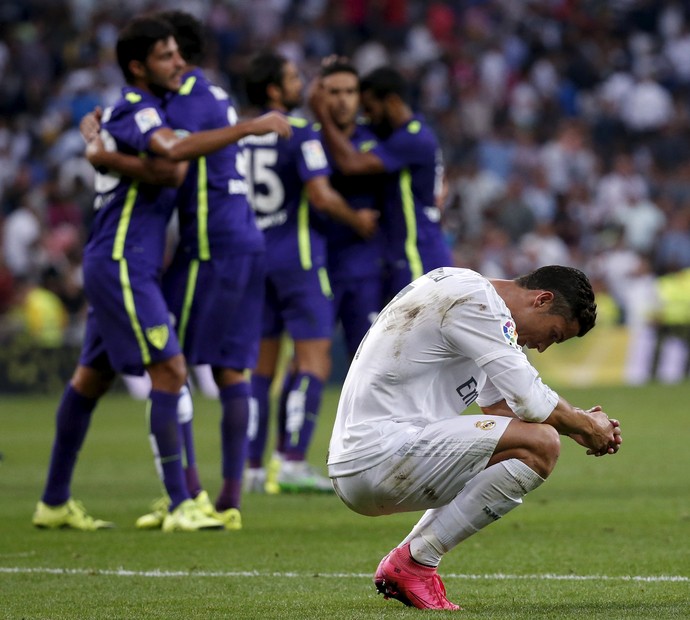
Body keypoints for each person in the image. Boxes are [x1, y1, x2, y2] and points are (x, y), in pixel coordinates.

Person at [33, 15, 290, 532]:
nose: (180, 64)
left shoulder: (143, 110)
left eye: (179, 54)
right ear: (138, 66)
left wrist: (102, 153)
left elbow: (170, 167)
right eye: (167, 57)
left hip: (135, 262)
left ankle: (54, 501)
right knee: (172, 371)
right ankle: (182, 502)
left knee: (90, 379)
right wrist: (249, 125)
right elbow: (171, 156)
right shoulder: (136, 106)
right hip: (123, 262)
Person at [328, 265, 622, 610]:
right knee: (542, 444)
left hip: (370, 458)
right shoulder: (474, 298)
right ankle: (415, 562)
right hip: (380, 453)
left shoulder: (475, 306)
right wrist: (585, 426)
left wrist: (577, 425)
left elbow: (501, 408)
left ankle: (412, 561)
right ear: (542, 300)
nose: (542, 348)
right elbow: (530, 402)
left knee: (537, 442)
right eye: (554, 335)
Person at [242, 51, 378, 494]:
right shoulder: (301, 133)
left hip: (252, 257)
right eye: (292, 79)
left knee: (261, 370)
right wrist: (356, 220)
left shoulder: (240, 138)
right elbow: (320, 195)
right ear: (274, 90)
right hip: (297, 258)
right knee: (312, 362)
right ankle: (293, 461)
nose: (302, 85)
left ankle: (251, 468)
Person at [309, 66, 452, 302]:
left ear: (392, 102)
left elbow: (351, 163)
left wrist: (322, 115)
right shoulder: (414, 134)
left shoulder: (412, 138)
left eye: (370, 108)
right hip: (411, 251)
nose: (366, 116)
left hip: (417, 254)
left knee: (413, 336)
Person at [317, 57, 386, 360]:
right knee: (309, 359)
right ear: (320, 95)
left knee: (368, 360)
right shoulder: (307, 140)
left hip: (365, 266)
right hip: (318, 263)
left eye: (349, 91)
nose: (342, 100)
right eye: (334, 92)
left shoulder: (376, 140)